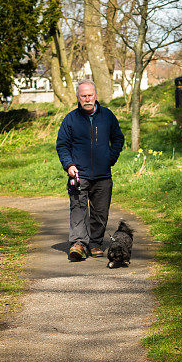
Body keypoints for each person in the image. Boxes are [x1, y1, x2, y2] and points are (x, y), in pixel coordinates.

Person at [56, 79, 125, 261]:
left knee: (100, 212)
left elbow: (118, 138)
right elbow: (62, 145)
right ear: (78, 98)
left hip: (103, 174)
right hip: (79, 174)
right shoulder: (70, 119)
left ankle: (95, 243)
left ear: (96, 95)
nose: (87, 99)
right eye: (83, 96)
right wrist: (69, 164)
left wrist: (110, 158)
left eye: (90, 95)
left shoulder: (107, 116)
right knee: (78, 209)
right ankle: (78, 244)